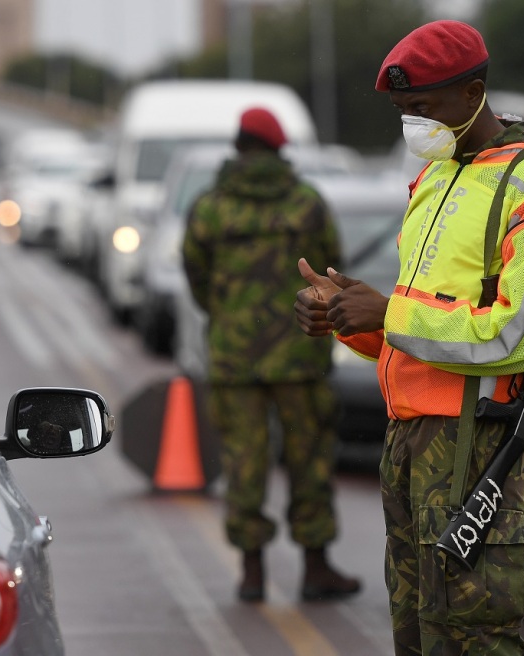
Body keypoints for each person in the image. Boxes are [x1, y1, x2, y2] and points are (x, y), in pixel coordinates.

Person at [294, 20, 524, 654]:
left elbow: (522, 335)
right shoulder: (435, 176)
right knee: (417, 632)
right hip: (409, 441)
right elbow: (426, 324)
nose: (411, 126)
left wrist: (390, 313)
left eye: (421, 109)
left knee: (475, 635)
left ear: (473, 92)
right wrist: (351, 317)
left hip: (471, 446)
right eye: (403, 112)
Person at [183, 106, 361, 603]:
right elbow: (332, 272)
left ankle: (252, 571)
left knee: (244, 460)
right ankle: (315, 566)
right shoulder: (307, 203)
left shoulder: (210, 207)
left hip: (234, 358)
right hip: (300, 357)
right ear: (279, 149)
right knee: (310, 458)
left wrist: (226, 316)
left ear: (238, 146)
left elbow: (195, 275)